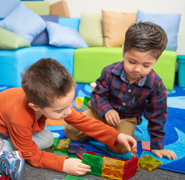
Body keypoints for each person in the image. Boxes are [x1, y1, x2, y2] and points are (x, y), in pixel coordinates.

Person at [0, 58, 137, 179]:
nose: (66, 113)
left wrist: (116, 136)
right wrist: (62, 164)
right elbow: (32, 156)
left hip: (14, 135)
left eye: (68, 105)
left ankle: (1, 150)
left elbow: (83, 121)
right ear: (35, 106)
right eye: (59, 111)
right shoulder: (21, 114)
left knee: (48, 137)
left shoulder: (57, 104)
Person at [64, 22, 177, 160]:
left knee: (122, 148)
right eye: (132, 62)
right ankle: (103, 130)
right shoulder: (110, 71)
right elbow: (98, 94)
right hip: (98, 111)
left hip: (125, 118)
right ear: (124, 52)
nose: (137, 69)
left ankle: (103, 131)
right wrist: (107, 111)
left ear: (157, 59)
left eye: (146, 65)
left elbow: (157, 116)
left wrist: (157, 145)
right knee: (71, 132)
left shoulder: (156, 84)